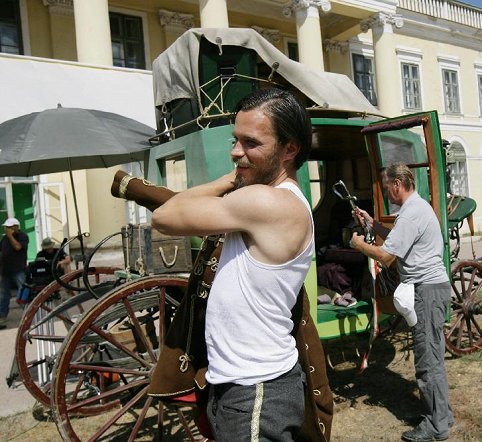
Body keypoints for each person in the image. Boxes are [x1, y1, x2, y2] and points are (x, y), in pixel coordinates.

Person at [152, 87, 314, 441]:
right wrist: (244, 169)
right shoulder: (269, 198)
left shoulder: (267, 202)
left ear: (290, 149)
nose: (235, 152)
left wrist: (233, 178)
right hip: (242, 383)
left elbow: (164, 216)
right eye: (235, 140)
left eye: (251, 143)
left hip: (257, 389)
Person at [351, 163, 454, 442]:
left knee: (427, 360)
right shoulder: (415, 209)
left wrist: (358, 244)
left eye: (387, 188)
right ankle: (442, 414)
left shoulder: (409, 214)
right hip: (431, 289)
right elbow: (398, 240)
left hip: (427, 292)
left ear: (398, 184)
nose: (387, 193)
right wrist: (372, 224)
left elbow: (386, 256)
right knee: (433, 356)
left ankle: (436, 425)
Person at [0, 217, 29, 329]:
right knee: (3, 295)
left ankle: (27, 314)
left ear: (16, 227)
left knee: (24, 291)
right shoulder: (5, 239)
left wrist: (10, 236)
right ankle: (2, 315)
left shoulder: (23, 236)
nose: (6, 229)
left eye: (9, 227)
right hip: (5, 270)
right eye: (6, 227)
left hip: (18, 269)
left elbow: (17, 247)